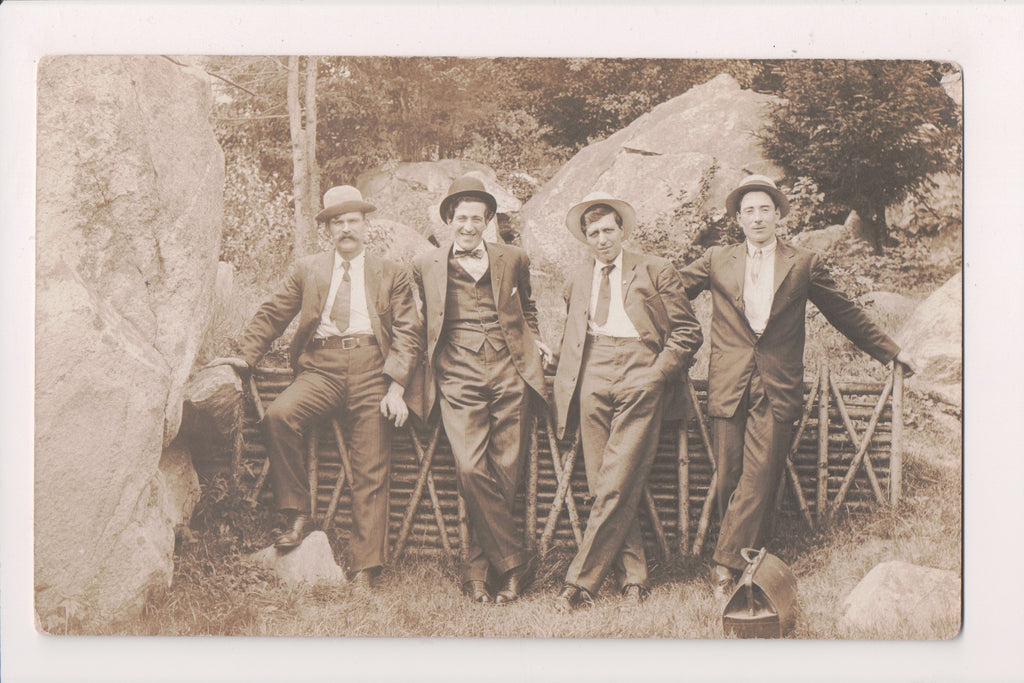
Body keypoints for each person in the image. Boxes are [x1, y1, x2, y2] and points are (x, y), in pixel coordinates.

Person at [678, 174, 916, 598]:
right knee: (732, 475)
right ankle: (753, 557)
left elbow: (845, 312)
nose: (757, 218)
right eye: (748, 210)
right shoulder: (717, 259)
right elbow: (669, 291)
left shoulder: (803, 263)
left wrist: (889, 351)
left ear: (778, 215)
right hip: (729, 380)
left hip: (777, 382)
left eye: (764, 209)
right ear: (737, 218)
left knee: (760, 473)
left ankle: (722, 566)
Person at [208, 185, 422, 592]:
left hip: (372, 369)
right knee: (278, 416)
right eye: (337, 222)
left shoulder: (390, 273)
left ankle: (364, 569)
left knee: (371, 466)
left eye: (353, 220)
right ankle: (297, 513)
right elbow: (274, 312)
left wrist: (395, 387)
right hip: (320, 368)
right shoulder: (308, 269)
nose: (346, 229)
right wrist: (245, 356)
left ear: (365, 225)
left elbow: (410, 332)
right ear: (328, 230)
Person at [551, 192, 703, 611]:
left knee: (616, 478)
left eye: (608, 230)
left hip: (642, 368)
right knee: (606, 482)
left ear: (622, 231)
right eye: (593, 233)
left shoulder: (655, 269)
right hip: (593, 371)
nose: (601, 239)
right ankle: (634, 577)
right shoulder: (578, 278)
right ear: (585, 238)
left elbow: (688, 333)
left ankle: (578, 583)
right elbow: (575, 332)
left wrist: (656, 375)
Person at [411, 175, 552, 605]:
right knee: (471, 469)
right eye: (461, 218)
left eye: (477, 218)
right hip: (457, 372)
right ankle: (514, 562)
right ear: (449, 220)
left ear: (489, 220)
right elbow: (425, 321)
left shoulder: (514, 258)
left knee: (505, 473)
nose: (469, 226)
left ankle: (480, 575)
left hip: (511, 370)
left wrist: (537, 337)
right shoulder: (426, 265)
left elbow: (525, 305)